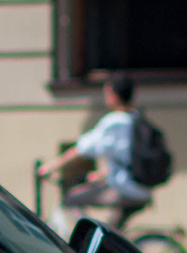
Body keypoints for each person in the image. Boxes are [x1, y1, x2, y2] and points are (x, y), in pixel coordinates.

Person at [56, 78, 153, 231]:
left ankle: (87, 236)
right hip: (142, 189)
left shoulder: (114, 121)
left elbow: (84, 148)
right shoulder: (136, 119)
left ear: (114, 95)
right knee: (113, 233)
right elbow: (127, 159)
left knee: (70, 199)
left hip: (124, 189)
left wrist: (50, 167)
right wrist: (102, 174)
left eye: (107, 93)